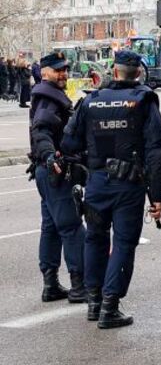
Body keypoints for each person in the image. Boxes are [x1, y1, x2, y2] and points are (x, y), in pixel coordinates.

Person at [61, 50, 161, 328]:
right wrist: (157, 196)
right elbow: (156, 152)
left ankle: (94, 303)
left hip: (96, 183)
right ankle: (110, 306)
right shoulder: (144, 101)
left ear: (114, 70)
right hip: (128, 186)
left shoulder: (91, 100)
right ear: (138, 74)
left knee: (95, 239)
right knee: (123, 243)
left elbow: (69, 143)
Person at [28, 51, 86, 304]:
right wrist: (51, 157)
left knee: (51, 227)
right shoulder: (48, 99)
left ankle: (50, 284)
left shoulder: (47, 95)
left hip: (47, 170)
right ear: (45, 72)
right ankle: (79, 284)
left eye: (65, 69)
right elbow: (41, 130)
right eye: (58, 70)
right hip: (55, 171)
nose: (64, 74)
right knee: (72, 226)